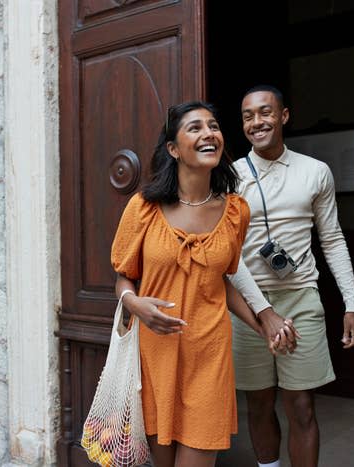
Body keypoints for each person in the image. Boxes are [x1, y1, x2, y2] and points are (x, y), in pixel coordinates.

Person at [110, 100, 297, 467]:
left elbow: (220, 281)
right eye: (194, 128)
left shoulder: (234, 211)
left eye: (213, 126)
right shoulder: (143, 207)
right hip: (156, 354)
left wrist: (264, 325)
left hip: (209, 354)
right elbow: (124, 277)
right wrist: (134, 304)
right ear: (173, 148)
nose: (208, 133)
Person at [228, 85, 354, 467]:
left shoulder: (315, 172)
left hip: (301, 297)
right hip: (247, 305)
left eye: (265, 113)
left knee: (301, 405)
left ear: (283, 116)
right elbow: (227, 254)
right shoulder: (230, 177)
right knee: (257, 403)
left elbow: (332, 239)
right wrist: (260, 311)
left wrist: (352, 303)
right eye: (248, 116)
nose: (257, 122)